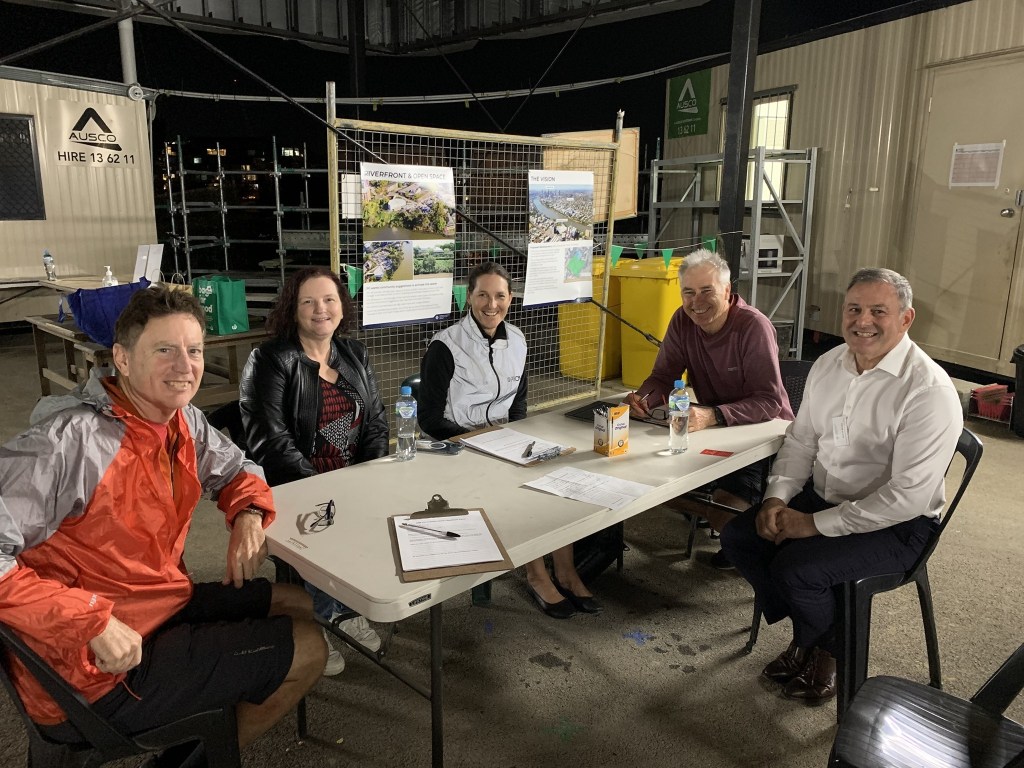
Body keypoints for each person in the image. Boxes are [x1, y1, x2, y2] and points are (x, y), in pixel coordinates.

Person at [0, 286, 324, 753]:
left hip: (153, 603)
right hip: (89, 670)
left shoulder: (180, 420)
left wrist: (249, 515)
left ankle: (198, 726)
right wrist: (90, 622)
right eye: (164, 350)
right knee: (310, 648)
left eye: (194, 351)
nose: (184, 366)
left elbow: (237, 468)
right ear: (123, 358)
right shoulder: (71, 442)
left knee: (298, 602)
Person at [720, 267, 963, 704]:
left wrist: (812, 525)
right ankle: (814, 634)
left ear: (906, 318)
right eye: (853, 309)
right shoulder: (830, 364)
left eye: (878, 311)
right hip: (824, 495)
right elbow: (802, 441)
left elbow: (907, 496)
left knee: (796, 570)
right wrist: (776, 498)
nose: (862, 321)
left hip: (900, 524)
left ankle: (829, 650)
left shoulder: (928, 390)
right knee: (741, 536)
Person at [419, 261, 601, 619]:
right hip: (460, 445)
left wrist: (518, 441)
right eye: (482, 295)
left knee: (557, 479)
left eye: (500, 296)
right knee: (524, 490)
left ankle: (566, 571)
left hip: (504, 441)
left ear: (510, 298)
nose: (492, 305)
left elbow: (518, 404)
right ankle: (537, 575)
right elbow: (429, 419)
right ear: (468, 297)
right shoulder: (446, 346)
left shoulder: (517, 339)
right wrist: (478, 439)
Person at [240, 267, 389, 675]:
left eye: (329, 300)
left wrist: (369, 477)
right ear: (293, 309)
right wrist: (323, 493)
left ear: (342, 307)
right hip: (296, 485)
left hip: (351, 479)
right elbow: (271, 443)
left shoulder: (353, 353)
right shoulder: (270, 360)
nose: (320, 309)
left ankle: (343, 606)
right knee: (324, 530)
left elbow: (376, 422)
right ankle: (321, 616)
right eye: (308, 301)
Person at [624, 249, 793, 566]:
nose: (696, 302)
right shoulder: (682, 320)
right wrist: (643, 398)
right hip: (711, 434)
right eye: (688, 292)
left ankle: (738, 525)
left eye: (706, 291)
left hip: (763, 439)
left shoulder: (753, 326)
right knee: (644, 485)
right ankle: (723, 515)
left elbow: (769, 401)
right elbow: (663, 376)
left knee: (722, 514)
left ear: (727, 291)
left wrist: (712, 415)